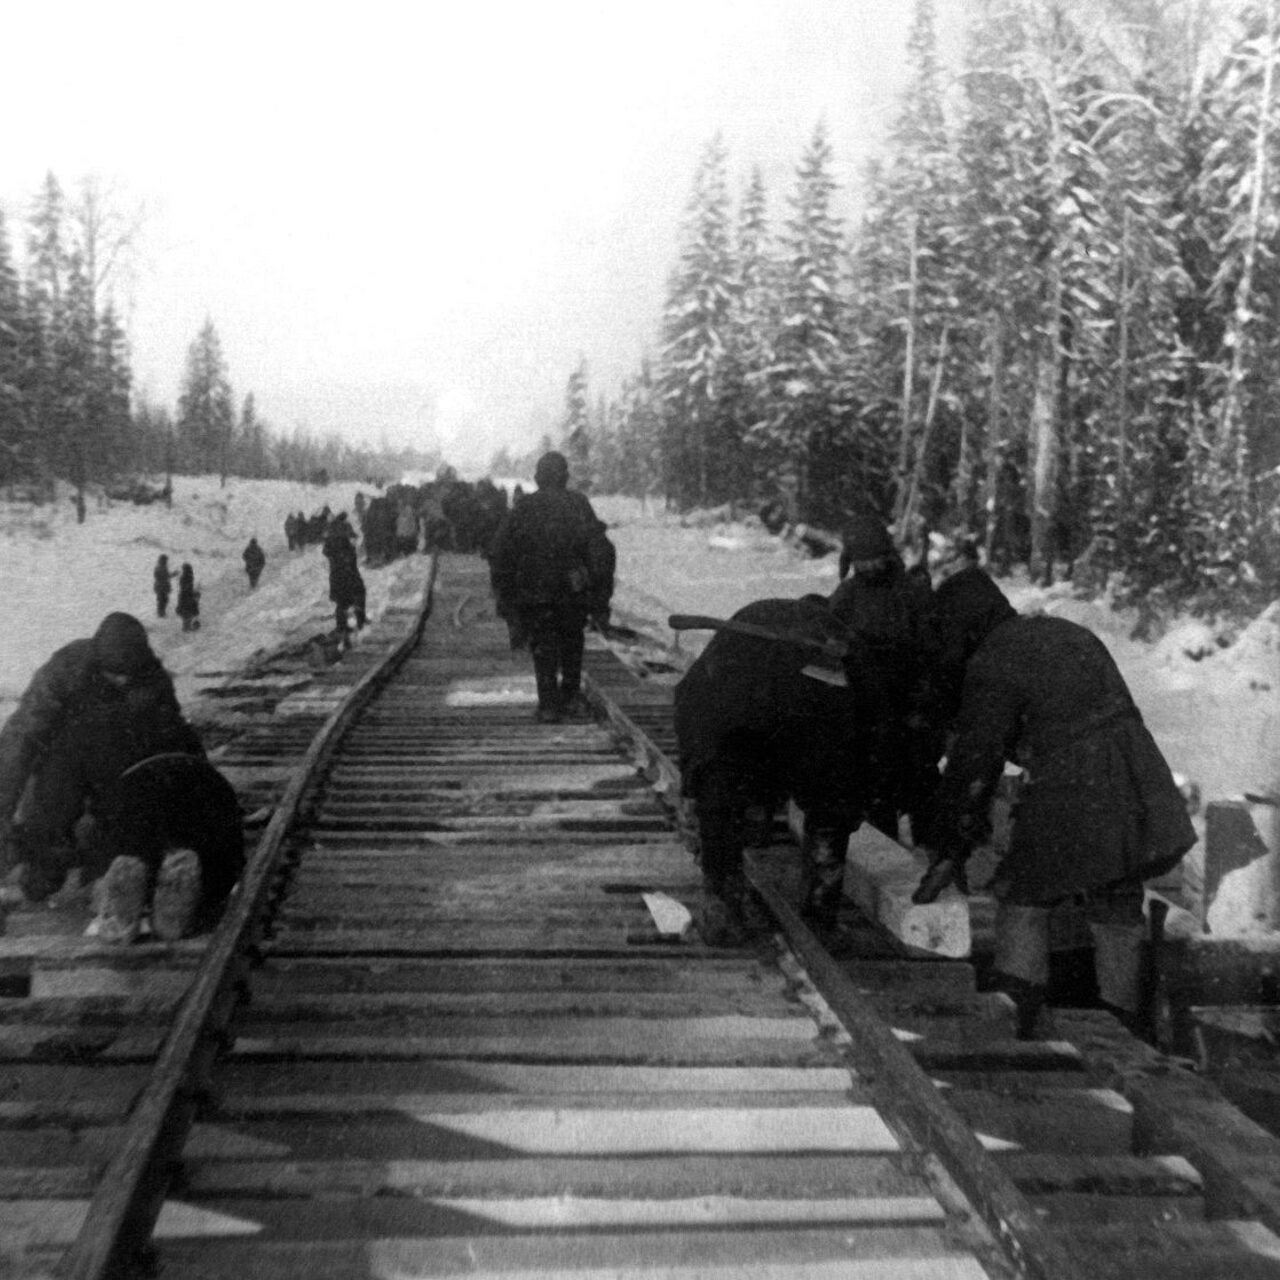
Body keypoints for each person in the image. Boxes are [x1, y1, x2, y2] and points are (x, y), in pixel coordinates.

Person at [912, 567, 1196, 1039]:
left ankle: (1015, 1017)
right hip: (1139, 772)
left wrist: (950, 842)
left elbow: (974, 767)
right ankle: (1120, 1029)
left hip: (1077, 779)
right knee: (1117, 895)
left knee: (1024, 893)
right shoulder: (1064, 632)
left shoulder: (994, 658)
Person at [673, 595, 870, 946]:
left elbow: (691, 706)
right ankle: (819, 913)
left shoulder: (756, 627)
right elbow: (842, 760)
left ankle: (723, 902)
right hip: (774, 718)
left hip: (725, 716)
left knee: (722, 796)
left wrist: (693, 784)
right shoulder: (833, 657)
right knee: (828, 805)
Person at [0, 613, 204, 906]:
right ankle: (41, 876)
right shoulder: (65, 670)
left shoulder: (152, 678)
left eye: (129, 675)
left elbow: (174, 739)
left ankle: (114, 877)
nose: (123, 680)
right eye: (115, 674)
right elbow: (21, 738)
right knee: (51, 806)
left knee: (136, 805)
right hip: (62, 764)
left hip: (118, 769)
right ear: (98, 662)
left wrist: (200, 793)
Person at [828, 510, 939, 842]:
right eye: (862, 561)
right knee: (874, 789)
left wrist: (923, 701)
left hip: (907, 702)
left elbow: (931, 651)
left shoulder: (911, 593)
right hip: (864, 707)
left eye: (874, 559)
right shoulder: (847, 596)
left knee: (918, 781)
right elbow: (827, 644)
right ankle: (882, 844)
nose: (869, 567)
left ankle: (930, 847)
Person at [489, 451, 612, 723]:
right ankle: (569, 696)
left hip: (535, 592)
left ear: (537, 478)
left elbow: (500, 552)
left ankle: (548, 703)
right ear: (565, 477)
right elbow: (601, 551)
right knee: (571, 642)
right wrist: (600, 596)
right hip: (572, 591)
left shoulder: (523, 507)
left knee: (543, 645)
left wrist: (506, 597)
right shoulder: (579, 505)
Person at [84, 752, 245, 943]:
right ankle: (174, 911)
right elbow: (232, 859)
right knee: (186, 865)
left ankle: (122, 919)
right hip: (205, 804)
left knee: (128, 862)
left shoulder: (119, 807)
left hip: (138, 808)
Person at [323, 512, 367, 637]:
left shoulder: (332, 531)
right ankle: (358, 623)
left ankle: (343, 626)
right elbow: (350, 547)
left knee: (342, 601)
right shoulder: (344, 530)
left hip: (338, 573)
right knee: (357, 594)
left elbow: (326, 551)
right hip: (347, 572)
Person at [176, 563, 201, 631]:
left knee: (186, 611)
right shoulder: (189, 577)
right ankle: (187, 626)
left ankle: (186, 626)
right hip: (187, 596)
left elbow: (185, 588)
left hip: (184, 596)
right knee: (189, 611)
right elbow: (187, 588)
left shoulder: (184, 577)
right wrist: (194, 593)